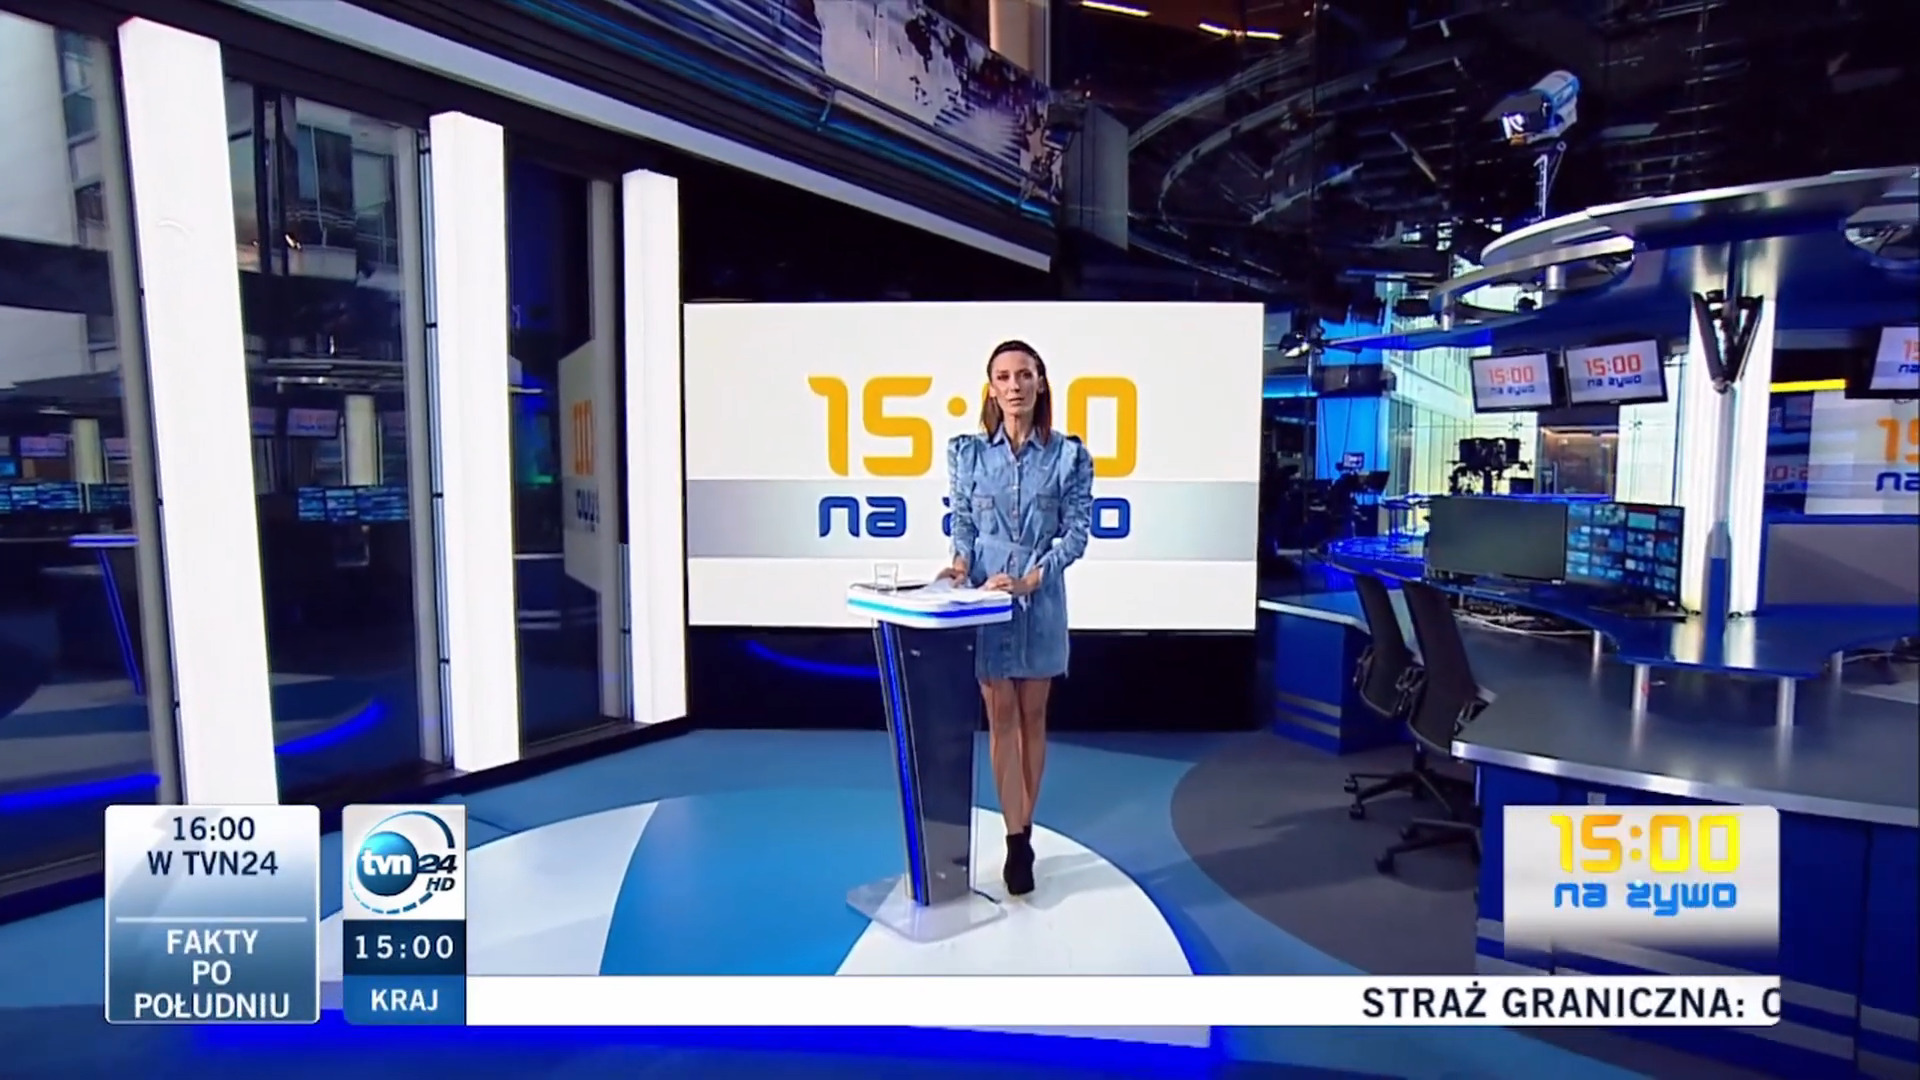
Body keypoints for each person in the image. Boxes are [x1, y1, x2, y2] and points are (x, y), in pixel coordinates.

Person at [936, 340, 1095, 897]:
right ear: (991, 388)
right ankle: (1014, 838)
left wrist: (1030, 580)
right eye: (1003, 377)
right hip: (987, 600)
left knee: (1033, 716)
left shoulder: (1070, 456)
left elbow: (1076, 534)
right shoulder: (967, 454)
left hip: (1040, 599)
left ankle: (1023, 828)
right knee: (1000, 716)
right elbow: (963, 525)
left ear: (1040, 383)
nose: (1014, 386)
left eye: (1024, 375)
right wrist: (959, 566)